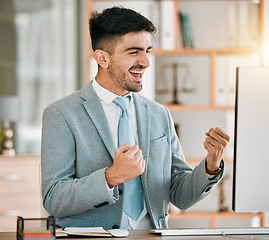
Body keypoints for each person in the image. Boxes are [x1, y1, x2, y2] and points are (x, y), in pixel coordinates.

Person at [41, 6, 230, 230]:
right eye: (134, 52)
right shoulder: (62, 114)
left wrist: (210, 165)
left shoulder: (159, 114)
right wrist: (110, 177)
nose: (146, 62)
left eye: (147, 51)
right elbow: (53, 198)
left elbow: (181, 196)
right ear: (102, 58)